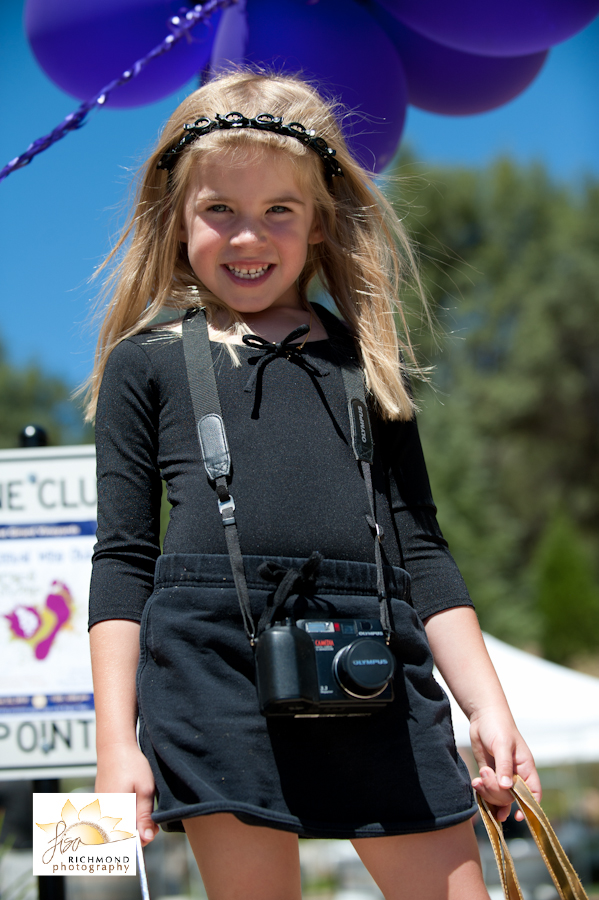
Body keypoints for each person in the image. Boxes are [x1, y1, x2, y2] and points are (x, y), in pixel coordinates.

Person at [87, 69, 540, 900]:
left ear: (320, 222)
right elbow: (122, 561)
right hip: (209, 666)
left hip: (374, 653)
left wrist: (489, 708)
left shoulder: (367, 366)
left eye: (277, 212)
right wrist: (115, 744)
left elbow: (424, 552)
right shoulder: (141, 364)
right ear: (177, 218)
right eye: (219, 210)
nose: (246, 237)